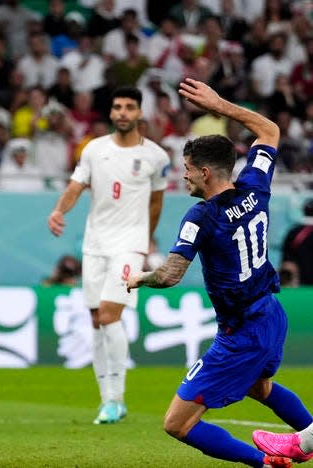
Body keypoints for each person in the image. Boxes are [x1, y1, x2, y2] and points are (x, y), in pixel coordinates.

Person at [126, 78, 313, 468]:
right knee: (259, 387)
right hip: (271, 315)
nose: (186, 176)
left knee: (177, 424)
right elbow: (270, 130)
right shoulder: (255, 187)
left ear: (207, 173)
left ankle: (263, 463)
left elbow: (171, 274)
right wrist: (220, 105)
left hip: (241, 332)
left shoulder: (202, 216)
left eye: (190, 169)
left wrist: (140, 278)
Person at [47, 86, 170, 425]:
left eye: (130, 107)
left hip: (129, 245)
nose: (122, 113)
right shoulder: (93, 150)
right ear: (111, 112)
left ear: (139, 113)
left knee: (109, 314)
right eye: (117, 107)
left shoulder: (156, 157)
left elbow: (156, 202)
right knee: (96, 320)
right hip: (95, 244)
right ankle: (107, 400)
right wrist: (59, 211)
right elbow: (76, 186)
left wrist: (144, 242)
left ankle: (118, 397)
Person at [278, 198, 313, 286]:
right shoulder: (296, 233)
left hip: (300, 286)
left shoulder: (294, 233)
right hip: (301, 283)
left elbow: (287, 263)